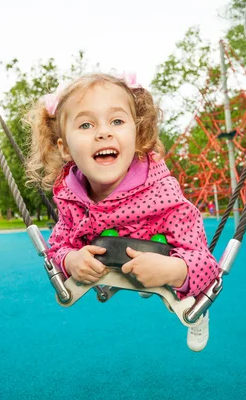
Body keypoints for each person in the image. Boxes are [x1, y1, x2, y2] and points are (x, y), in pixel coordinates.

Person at [25, 72, 220, 352]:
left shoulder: (163, 193)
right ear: (65, 148)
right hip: (109, 260)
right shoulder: (70, 197)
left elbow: (205, 262)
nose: (103, 132)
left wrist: (174, 270)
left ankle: (198, 312)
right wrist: (70, 261)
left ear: (137, 134)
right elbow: (57, 248)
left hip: (162, 259)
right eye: (86, 124)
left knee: (194, 293)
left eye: (116, 121)